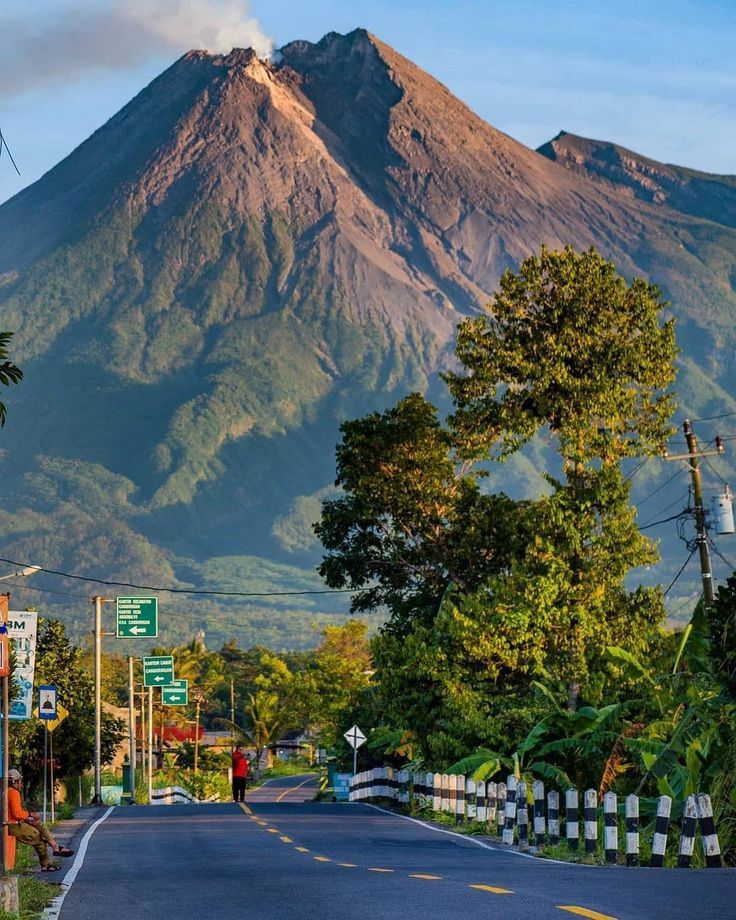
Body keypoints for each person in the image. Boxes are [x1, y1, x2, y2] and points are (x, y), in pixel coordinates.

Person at [7, 768, 74, 872]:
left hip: (12, 823)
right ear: (15, 781)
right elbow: (17, 813)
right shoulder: (13, 793)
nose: (21, 784)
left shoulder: (5, 791)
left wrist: (28, 817)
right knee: (38, 837)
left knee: (38, 825)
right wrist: (30, 814)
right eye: (20, 781)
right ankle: (49, 858)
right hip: (13, 825)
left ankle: (54, 848)